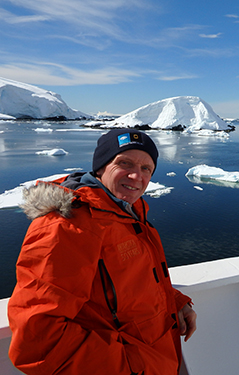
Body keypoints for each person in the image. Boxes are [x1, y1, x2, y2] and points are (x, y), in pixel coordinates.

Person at [8, 129, 197, 375]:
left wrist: (173, 302)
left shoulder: (126, 211)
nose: (135, 175)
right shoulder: (67, 226)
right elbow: (38, 339)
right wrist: (130, 367)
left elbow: (127, 281)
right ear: (101, 167)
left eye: (146, 168)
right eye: (124, 163)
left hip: (158, 358)